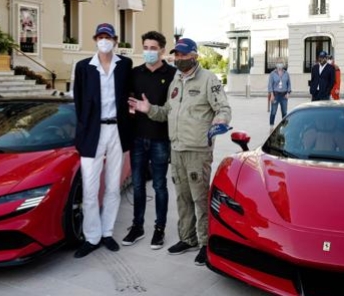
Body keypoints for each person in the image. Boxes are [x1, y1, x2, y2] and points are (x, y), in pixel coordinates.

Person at [128, 38, 232, 266]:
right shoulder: (175, 80)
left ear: (195, 56)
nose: (180, 59)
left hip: (197, 150)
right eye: (177, 55)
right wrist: (149, 109)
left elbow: (223, 108)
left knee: (200, 198)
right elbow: (166, 111)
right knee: (182, 197)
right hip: (176, 148)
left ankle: (206, 243)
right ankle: (188, 238)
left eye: (184, 55)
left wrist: (219, 122)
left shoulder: (208, 79)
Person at [72, 23, 133, 258]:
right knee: (89, 186)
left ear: (115, 40)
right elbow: (78, 100)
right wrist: (84, 129)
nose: (104, 40)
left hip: (117, 130)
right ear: (95, 39)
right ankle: (92, 237)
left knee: (112, 186)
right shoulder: (84, 67)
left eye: (108, 37)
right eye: (100, 36)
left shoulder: (124, 65)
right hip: (92, 133)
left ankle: (107, 232)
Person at [121, 31, 177, 250]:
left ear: (162, 50)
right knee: (137, 185)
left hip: (161, 140)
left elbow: (173, 109)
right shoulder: (136, 73)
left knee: (160, 185)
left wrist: (149, 109)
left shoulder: (172, 75)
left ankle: (159, 229)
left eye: (153, 48)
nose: (149, 51)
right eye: (145, 47)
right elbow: (128, 100)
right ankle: (138, 227)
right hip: (138, 139)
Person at [267, 57, 291, 132]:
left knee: (284, 112)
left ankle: (284, 126)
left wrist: (288, 93)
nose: (280, 64)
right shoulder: (272, 74)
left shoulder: (286, 74)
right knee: (273, 111)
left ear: (283, 64)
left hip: (284, 95)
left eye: (281, 62)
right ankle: (271, 126)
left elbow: (289, 84)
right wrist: (272, 95)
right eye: (278, 62)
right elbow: (270, 85)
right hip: (275, 95)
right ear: (276, 64)